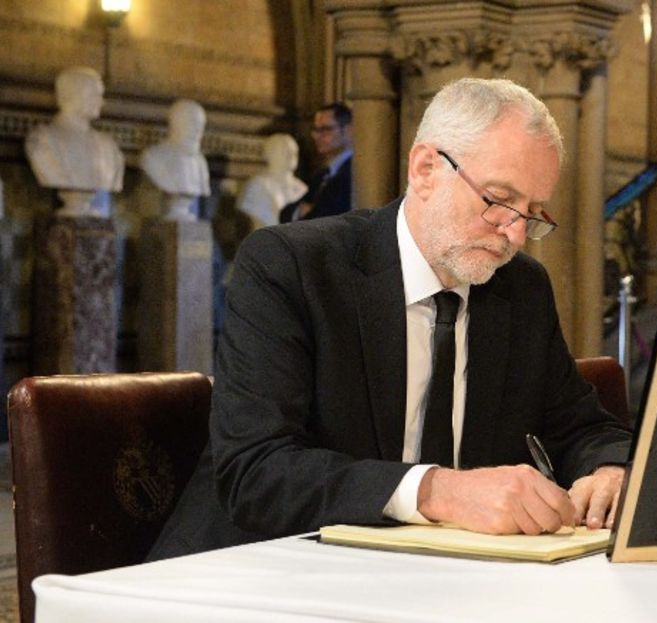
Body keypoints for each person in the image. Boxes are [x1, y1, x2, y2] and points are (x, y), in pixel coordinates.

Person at [148, 78, 631, 560]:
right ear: (425, 169)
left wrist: (610, 470)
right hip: (258, 570)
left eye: (534, 212)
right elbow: (257, 471)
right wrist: (438, 492)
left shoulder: (519, 288)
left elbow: (578, 426)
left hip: (441, 580)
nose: (516, 235)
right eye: (499, 201)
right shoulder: (291, 267)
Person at [25, 66, 124, 200]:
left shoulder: (108, 146)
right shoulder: (42, 140)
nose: (102, 102)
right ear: (73, 93)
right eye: (95, 94)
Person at [279, 102, 354, 222]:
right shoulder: (322, 175)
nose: (316, 136)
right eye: (315, 129)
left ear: (348, 130)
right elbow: (285, 213)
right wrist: (300, 211)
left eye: (325, 129)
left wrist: (309, 212)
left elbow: (326, 218)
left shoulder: (355, 172)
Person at [140, 99, 210, 221]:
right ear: (176, 123)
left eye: (201, 126)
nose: (198, 131)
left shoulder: (201, 163)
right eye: (193, 124)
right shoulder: (153, 157)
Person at [236, 134, 307, 229]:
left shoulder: (302, 188)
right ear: (270, 154)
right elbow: (254, 224)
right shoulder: (257, 185)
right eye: (284, 150)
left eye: (294, 150)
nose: (291, 153)